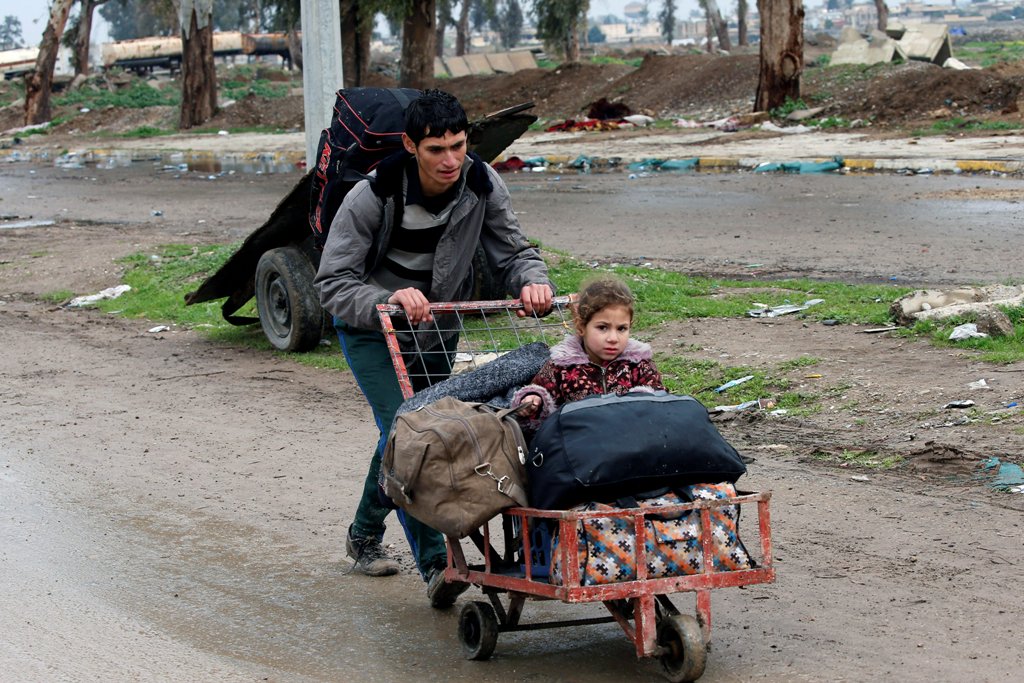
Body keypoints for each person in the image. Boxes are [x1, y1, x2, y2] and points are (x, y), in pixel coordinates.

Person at [313, 89, 554, 608]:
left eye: (459, 146)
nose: (450, 161)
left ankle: (362, 533)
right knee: (409, 432)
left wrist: (533, 282)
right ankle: (435, 565)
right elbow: (332, 283)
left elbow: (513, 251)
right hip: (374, 330)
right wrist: (387, 298)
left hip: (437, 329)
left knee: (419, 430)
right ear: (409, 146)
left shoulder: (482, 182)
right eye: (436, 150)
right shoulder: (372, 195)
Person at [512, 276, 663, 427]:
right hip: (579, 441)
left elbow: (659, 399)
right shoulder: (562, 366)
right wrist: (533, 399)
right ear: (581, 327)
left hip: (629, 439)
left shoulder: (638, 364)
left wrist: (644, 401)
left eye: (621, 328)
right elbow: (540, 391)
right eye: (603, 327)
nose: (613, 338)